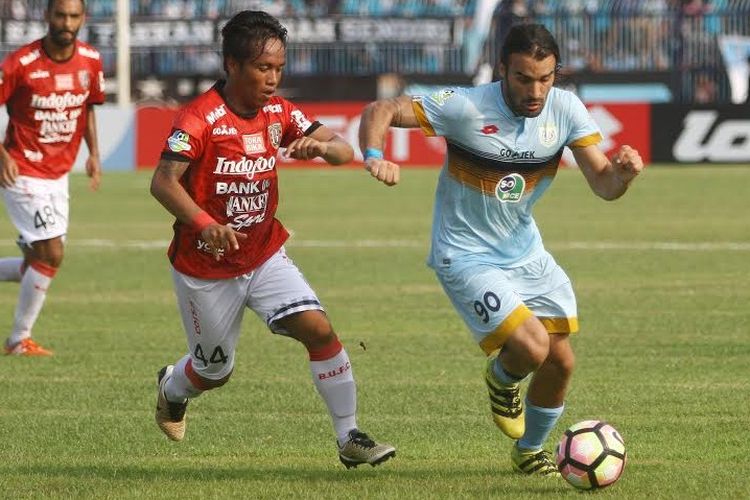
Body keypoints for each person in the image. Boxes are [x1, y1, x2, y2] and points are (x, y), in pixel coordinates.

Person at [358, 24, 644, 477]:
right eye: (524, 78)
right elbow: (383, 108)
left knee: (561, 360)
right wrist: (374, 155)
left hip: (525, 251)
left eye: (545, 78)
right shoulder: (467, 106)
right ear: (502, 71)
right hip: (465, 253)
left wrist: (624, 176)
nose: (536, 91)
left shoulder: (566, 109)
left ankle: (530, 453)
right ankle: (501, 378)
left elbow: (604, 184)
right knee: (530, 347)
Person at [150, 10, 396, 469]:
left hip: (264, 254)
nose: (273, 79)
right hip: (205, 268)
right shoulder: (200, 118)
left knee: (318, 329)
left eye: (279, 69)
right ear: (232, 65)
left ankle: (349, 437)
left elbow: (344, 150)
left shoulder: (280, 111)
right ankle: (171, 387)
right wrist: (205, 224)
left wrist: (322, 148)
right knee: (213, 370)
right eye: (264, 68)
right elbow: (164, 182)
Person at [0, 0, 103, 356]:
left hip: (58, 174)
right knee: (52, 253)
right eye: (60, 14)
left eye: (74, 16)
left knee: (36, 262)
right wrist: (2, 155)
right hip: (22, 169)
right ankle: (17, 341)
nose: (67, 22)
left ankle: (18, 340)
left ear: (83, 18)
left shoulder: (91, 59)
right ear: (47, 16)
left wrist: (94, 154)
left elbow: (88, 106)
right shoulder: (21, 63)